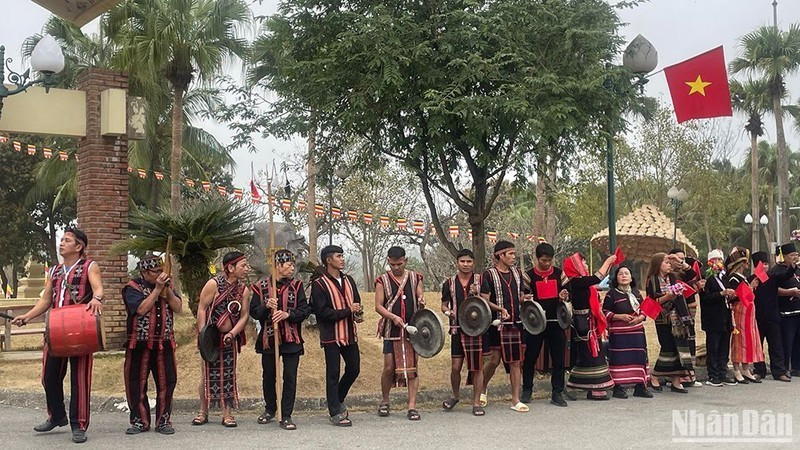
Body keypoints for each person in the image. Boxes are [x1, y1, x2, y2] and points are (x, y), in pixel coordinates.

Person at [12, 228, 104, 444]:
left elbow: (99, 288)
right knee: (49, 376)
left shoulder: (89, 266)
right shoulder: (54, 271)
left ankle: (79, 425)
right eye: (61, 239)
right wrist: (26, 316)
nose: (61, 243)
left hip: (81, 328)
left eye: (67, 240)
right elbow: (46, 301)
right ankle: (57, 415)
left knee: (79, 380)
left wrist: (97, 298)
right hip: (56, 330)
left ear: (79, 246)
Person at [250, 249, 311, 430]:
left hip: (292, 339)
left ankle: (286, 414)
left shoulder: (298, 286)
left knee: (290, 377)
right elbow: (254, 312)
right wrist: (265, 306)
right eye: (289, 264)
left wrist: (287, 314)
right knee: (269, 376)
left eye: (293, 264)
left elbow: (305, 310)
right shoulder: (260, 287)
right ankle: (270, 409)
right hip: (269, 339)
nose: (292, 268)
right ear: (278, 265)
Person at [122, 254, 181, 435]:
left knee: (167, 383)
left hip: (164, 344)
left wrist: (167, 290)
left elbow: (178, 308)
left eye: (161, 271)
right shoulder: (132, 287)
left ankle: (163, 421)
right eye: (156, 271)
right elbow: (140, 309)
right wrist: (157, 290)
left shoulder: (167, 286)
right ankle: (140, 421)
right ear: (145, 272)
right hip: (139, 344)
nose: (160, 274)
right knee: (136, 383)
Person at [192, 251, 251, 427]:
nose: (246, 269)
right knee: (206, 374)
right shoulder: (213, 284)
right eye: (243, 266)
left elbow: (244, 316)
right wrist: (203, 336)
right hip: (210, 338)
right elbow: (202, 308)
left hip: (229, 339)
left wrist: (233, 333)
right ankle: (203, 411)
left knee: (228, 375)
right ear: (230, 267)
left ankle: (227, 414)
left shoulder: (243, 290)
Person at [311, 245, 363, 427]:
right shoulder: (319, 284)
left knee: (354, 369)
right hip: (331, 335)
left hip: (349, 333)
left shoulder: (349, 280)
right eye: (338, 256)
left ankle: (337, 399)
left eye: (343, 255)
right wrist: (347, 310)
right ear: (328, 260)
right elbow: (322, 313)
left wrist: (357, 313)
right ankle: (335, 412)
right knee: (332, 373)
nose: (342, 259)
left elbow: (356, 302)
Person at [375, 246, 425, 421]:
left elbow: (419, 295)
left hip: (412, 329)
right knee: (389, 367)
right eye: (393, 264)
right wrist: (393, 317)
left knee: (413, 368)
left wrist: (421, 299)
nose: (396, 267)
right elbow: (378, 306)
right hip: (392, 329)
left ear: (406, 261)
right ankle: (385, 401)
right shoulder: (382, 280)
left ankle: (412, 406)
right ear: (388, 261)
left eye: (399, 264)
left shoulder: (415, 277)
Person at [480, 240, 528, 412]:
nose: (514, 257)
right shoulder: (488, 275)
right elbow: (484, 301)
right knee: (494, 360)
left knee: (516, 361)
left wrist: (525, 299)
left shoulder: (518, 273)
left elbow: (520, 295)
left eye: (514, 254)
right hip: (496, 324)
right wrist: (500, 308)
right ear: (500, 255)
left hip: (515, 323)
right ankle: (483, 387)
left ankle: (515, 399)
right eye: (511, 254)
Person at [522, 242, 570, 407]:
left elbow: (567, 291)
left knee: (559, 359)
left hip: (556, 322)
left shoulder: (559, 274)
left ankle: (557, 392)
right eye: (544, 260)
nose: (547, 263)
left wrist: (565, 294)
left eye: (549, 260)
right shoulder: (529, 276)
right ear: (537, 259)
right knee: (530, 357)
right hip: (536, 323)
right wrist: (525, 298)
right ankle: (527, 389)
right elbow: (523, 296)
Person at [564, 253, 616, 400]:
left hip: (590, 322)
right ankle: (593, 387)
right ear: (575, 266)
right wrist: (608, 261)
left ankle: (587, 385)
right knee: (591, 353)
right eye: (583, 263)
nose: (586, 266)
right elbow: (597, 277)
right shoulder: (575, 281)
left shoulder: (584, 283)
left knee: (593, 352)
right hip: (584, 323)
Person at [440, 249, 486, 416]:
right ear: (457, 263)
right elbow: (444, 305)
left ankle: (476, 402)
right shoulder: (449, 283)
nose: (466, 265)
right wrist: (448, 312)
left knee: (477, 367)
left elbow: (488, 302)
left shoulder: (481, 280)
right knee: (455, 366)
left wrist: (478, 295)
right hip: (458, 329)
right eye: (462, 261)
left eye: (469, 262)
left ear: (473, 263)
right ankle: (455, 395)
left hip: (477, 328)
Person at [645, 252, 697, 393]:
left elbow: (692, 275)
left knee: (680, 347)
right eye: (666, 262)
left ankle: (676, 380)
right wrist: (668, 296)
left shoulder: (673, 277)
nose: (669, 265)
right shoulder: (652, 280)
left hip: (679, 317)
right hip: (663, 319)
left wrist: (679, 260)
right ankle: (655, 375)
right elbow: (652, 301)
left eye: (669, 262)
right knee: (668, 348)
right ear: (658, 264)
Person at [602, 265, 652, 399]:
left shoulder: (636, 293)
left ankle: (640, 386)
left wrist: (640, 318)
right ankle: (617, 387)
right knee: (619, 359)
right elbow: (605, 312)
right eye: (620, 274)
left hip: (637, 333)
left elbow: (644, 310)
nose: (624, 276)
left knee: (639, 356)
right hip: (619, 334)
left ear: (631, 278)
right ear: (616, 278)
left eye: (626, 273)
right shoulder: (611, 294)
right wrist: (619, 317)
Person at [752, 245, 796, 382]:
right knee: (758, 346)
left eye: (766, 264)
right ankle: (759, 370)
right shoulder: (751, 280)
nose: (764, 267)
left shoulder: (772, 277)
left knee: (776, 345)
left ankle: (779, 371)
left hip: (772, 317)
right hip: (757, 318)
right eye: (761, 265)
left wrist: (792, 266)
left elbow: (785, 275)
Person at [725, 248, 763, 384]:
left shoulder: (743, 278)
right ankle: (736, 369)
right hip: (739, 312)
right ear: (741, 263)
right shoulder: (733, 278)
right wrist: (750, 288)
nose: (748, 266)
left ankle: (746, 368)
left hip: (748, 314)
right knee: (739, 340)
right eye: (746, 263)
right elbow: (735, 297)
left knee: (749, 340)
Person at [700, 249, 737, 387]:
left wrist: (732, 295)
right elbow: (705, 298)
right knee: (713, 347)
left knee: (724, 346)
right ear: (709, 262)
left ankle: (723, 372)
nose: (717, 262)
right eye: (714, 260)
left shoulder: (725, 277)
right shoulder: (706, 278)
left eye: (719, 260)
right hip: (712, 317)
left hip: (725, 315)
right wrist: (721, 293)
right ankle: (713, 375)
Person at [669, 248, 704, 387]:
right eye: (677, 259)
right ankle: (680, 375)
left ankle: (690, 375)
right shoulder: (670, 274)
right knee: (680, 341)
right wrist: (694, 286)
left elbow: (692, 274)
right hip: (677, 311)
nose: (680, 261)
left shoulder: (683, 272)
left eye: (682, 259)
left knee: (690, 339)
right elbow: (678, 289)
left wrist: (684, 264)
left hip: (690, 309)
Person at [777, 246, 800, 377]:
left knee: (798, 341)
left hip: (798, 310)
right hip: (786, 313)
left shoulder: (798, 270)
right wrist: (790, 292)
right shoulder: (778, 271)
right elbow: (773, 289)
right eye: (792, 255)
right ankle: (784, 367)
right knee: (787, 341)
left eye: (796, 255)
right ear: (784, 256)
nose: (795, 258)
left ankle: (797, 367)